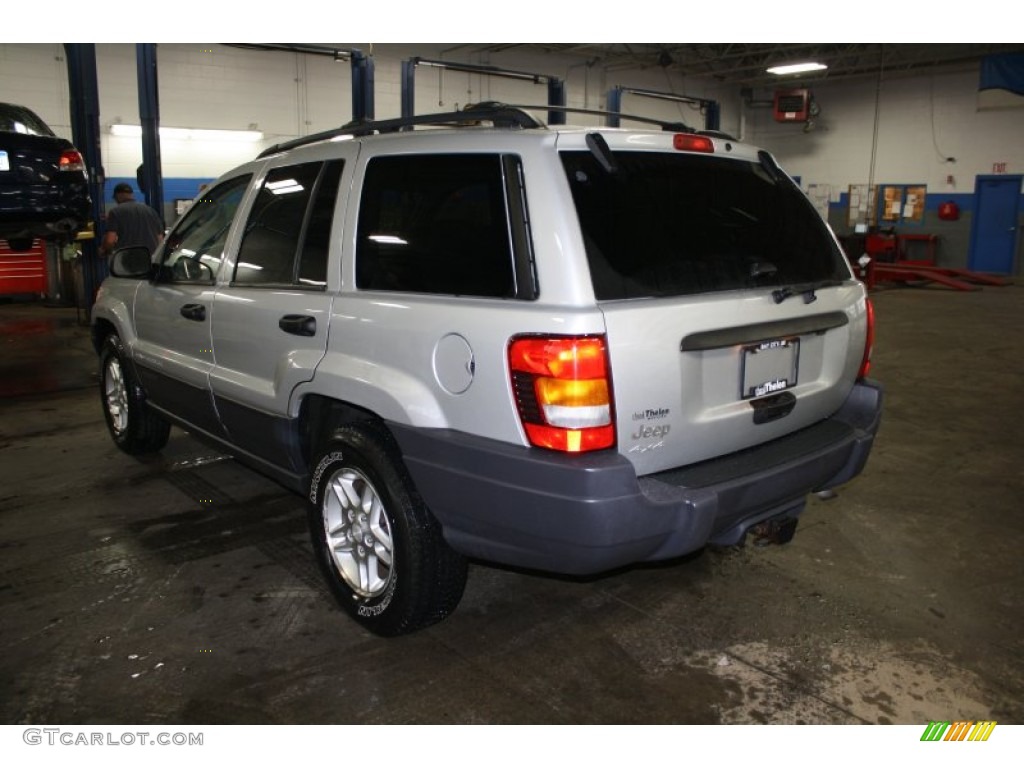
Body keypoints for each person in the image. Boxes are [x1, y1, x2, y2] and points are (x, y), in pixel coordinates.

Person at [100, 182, 164, 257]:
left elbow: (110, 241)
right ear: (131, 195)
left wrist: (104, 250)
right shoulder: (151, 210)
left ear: (118, 195)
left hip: (128, 260)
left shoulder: (115, 212)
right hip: (149, 259)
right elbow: (160, 238)